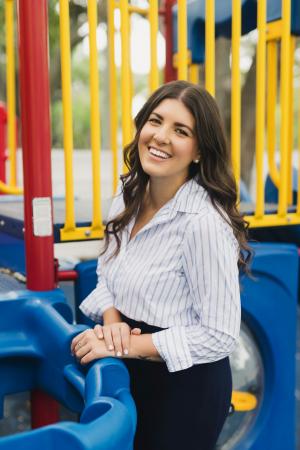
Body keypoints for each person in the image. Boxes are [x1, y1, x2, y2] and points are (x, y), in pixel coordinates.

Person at [71, 80, 251, 450]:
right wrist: (113, 325)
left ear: (200, 151)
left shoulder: (202, 222)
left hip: (184, 385)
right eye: (156, 121)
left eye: (181, 130)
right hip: (128, 363)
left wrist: (124, 346)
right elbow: (107, 274)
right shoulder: (126, 196)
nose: (161, 137)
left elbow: (219, 334)